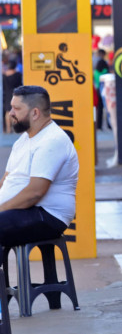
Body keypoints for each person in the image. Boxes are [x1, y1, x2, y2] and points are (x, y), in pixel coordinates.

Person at [0, 86, 78, 248]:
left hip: (48, 215)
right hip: (24, 210)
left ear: (35, 113)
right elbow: (6, 180)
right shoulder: (23, 140)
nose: (11, 113)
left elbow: (34, 193)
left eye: (16, 108)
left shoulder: (52, 141)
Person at [3, 60, 23, 133]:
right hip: (16, 94)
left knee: (7, 111)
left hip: (7, 94)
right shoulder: (17, 75)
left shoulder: (4, 76)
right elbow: (20, 84)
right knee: (15, 111)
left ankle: (8, 129)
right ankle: (14, 127)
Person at [94, 49, 109, 130]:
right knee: (107, 107)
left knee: (99, 108)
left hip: (98, 89)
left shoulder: (96, 69)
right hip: (105, 88)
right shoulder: (104, 66)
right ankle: (109, 125)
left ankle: (99, 125)